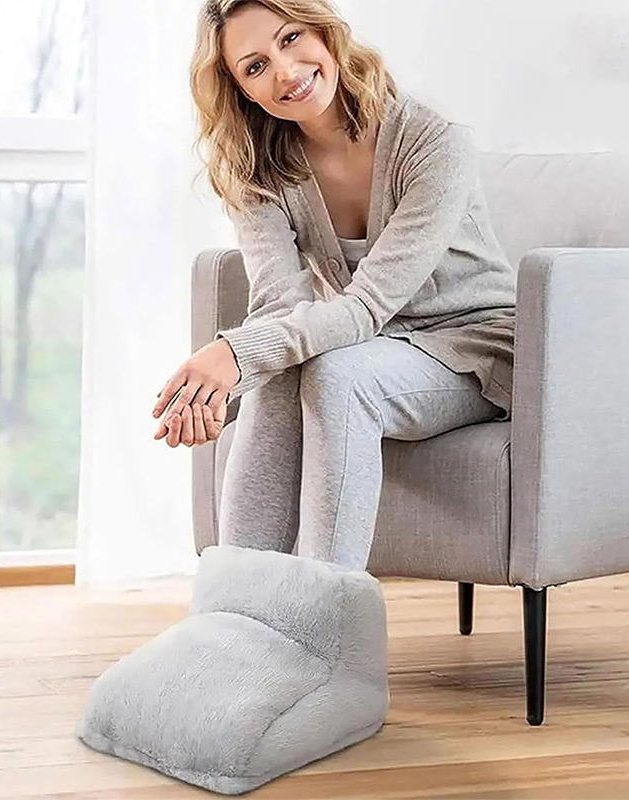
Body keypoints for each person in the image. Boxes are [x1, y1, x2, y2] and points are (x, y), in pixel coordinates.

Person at [152, 0, 517, 570]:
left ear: (323, 33)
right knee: (283, 369)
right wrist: (212, 386)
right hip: (368, 345)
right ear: (241, 90)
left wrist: (233, 356)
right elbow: (280, 308)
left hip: (472, 349)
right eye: (255, 66)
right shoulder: (258, 169)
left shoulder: (432, 141)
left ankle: (327, 618)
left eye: (291, 38)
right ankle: (235, 609)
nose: (286, 71)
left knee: (334, 374)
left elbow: (366, 306)